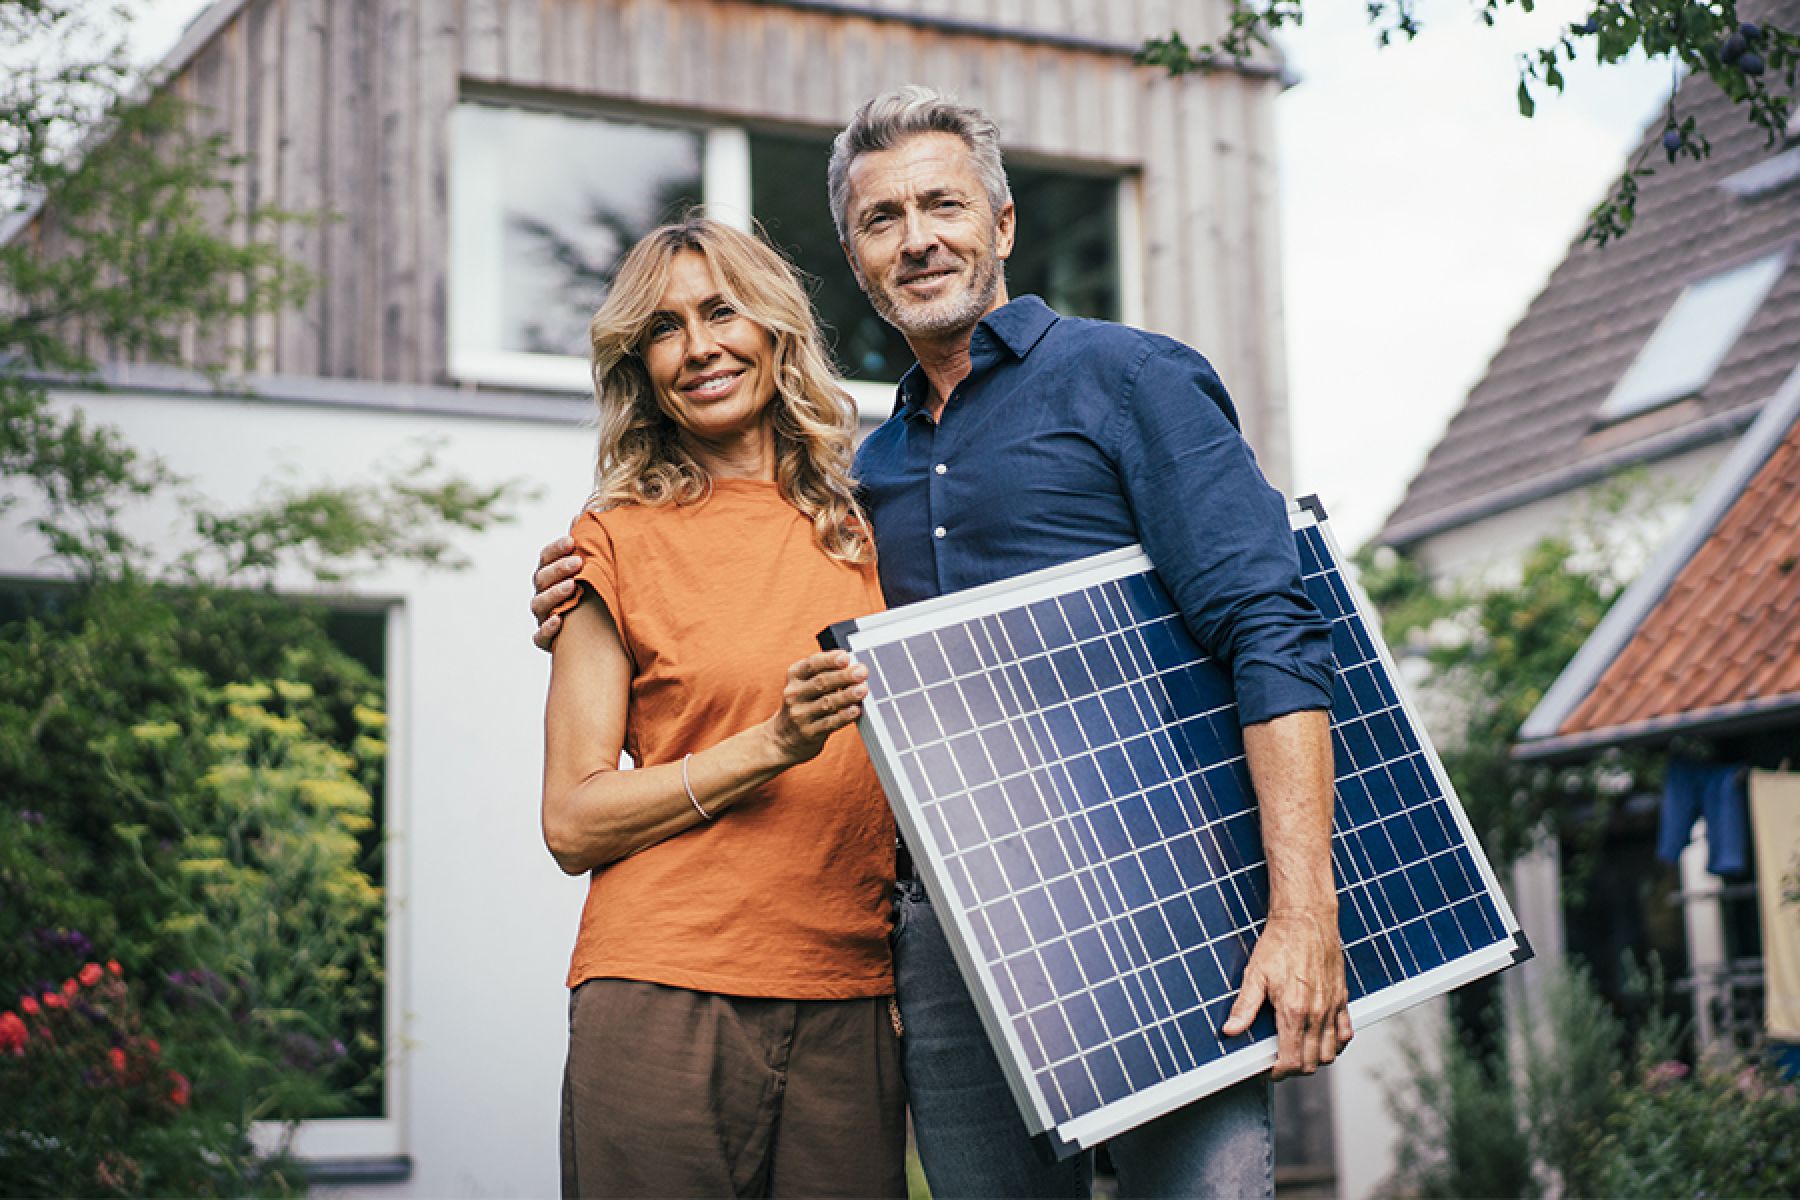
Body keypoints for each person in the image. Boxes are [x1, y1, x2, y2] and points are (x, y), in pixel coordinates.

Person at [534, 88, 1353, 1198]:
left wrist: (1305, 913)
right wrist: (587, 596)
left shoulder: (1120, 383)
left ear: (1002, 224)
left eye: (943, 205)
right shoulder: (863, 483)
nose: (917, 238)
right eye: (883, 220)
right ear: (855, 259)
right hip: (942, 945)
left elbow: (1270, 626)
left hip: (1151, 905)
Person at [540, 216, 905, 1199]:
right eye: (663, 327)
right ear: (640, 365)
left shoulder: (873, 529)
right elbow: (571, 822)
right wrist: (771, 746)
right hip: (663, 988)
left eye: (722, 311)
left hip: (852, 1001)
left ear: (776, 331)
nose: (699, 346)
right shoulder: (611, 539)